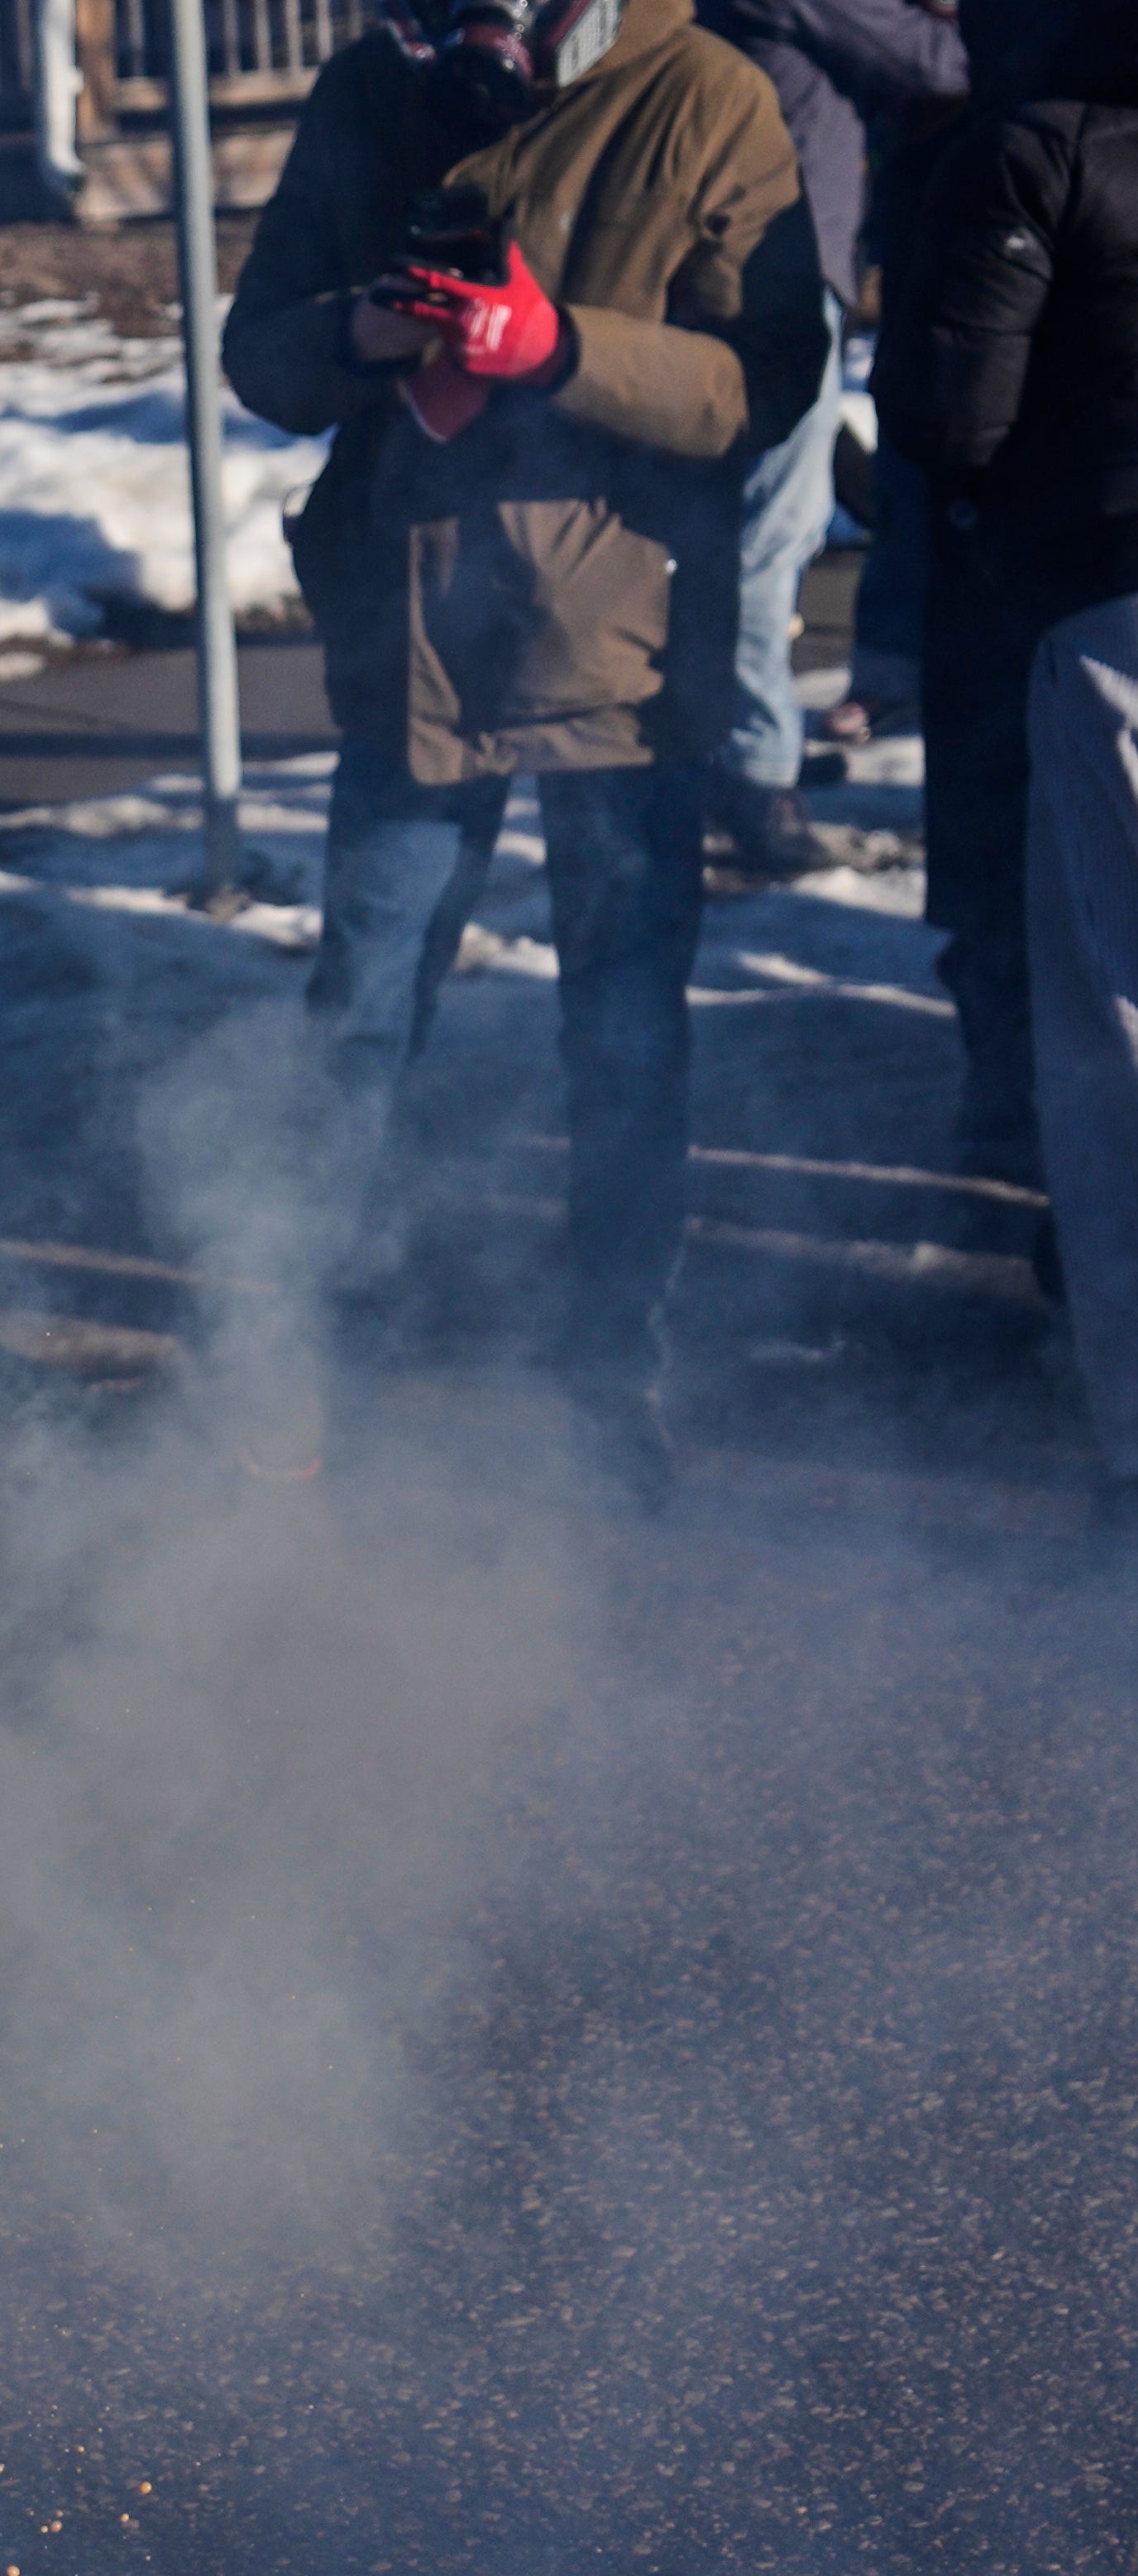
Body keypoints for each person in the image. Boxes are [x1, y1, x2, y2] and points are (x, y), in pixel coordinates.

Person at [220, 0, 814, 1507]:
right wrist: (359, 327)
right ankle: (301, 1361)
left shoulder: (706, 95)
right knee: (355, 1014)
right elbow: (258, 353)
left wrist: (559, 348)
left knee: (621, 1037)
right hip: (409, 639)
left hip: (618, 639)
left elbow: (764, 380)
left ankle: (607, 1377)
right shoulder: (373, 83)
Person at [897, 7, 1138, 1534]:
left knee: (1111, 1045)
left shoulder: (1031, 141)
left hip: (1112, 609)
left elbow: (945, 421)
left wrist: (1013, 542)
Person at [692, 0, 965, 880]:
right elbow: (935, 62)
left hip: (775, 264)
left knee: (763, 524)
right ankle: (753, 772)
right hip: (777, 271)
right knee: (769, 529)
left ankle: (745, 738)